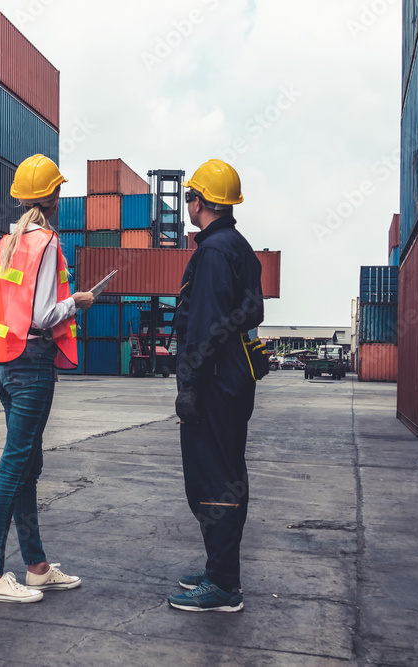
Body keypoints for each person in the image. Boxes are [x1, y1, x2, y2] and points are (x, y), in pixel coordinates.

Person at [0, 154, 95, 603]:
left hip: (2, 365)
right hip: (30, 363)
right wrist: (77, 302)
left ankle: (37, 567)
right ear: (55, 197)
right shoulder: (46, 242)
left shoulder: (7, 243)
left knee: (26, 467)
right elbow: (44, 314)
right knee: (13, 468)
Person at [169, 159, 264, 613]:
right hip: (233, 379)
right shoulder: (239, 247)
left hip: (215, 383)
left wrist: (189, 387)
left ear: (201, 201)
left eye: (190, 196)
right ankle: (217, 571)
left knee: (212, 479)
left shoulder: (212, 252)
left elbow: (204, 327)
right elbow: (248, 316)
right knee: (224, 473)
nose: (189, 202)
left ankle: (223, 586)